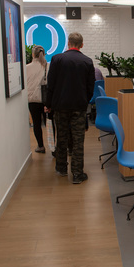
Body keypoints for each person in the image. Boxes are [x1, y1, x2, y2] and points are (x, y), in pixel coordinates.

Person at [45, 32, 95, 184]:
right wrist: (85, 101)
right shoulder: (87, 61)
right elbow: (90, 87)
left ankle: (61, 168)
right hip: (79, 107)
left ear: (68, 43)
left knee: (62, 137)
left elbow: (50, 84)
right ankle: (77, 174)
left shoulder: (57, 59)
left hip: (60, 106)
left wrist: (48, 104)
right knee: (78, 140)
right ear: (82, 45)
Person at [26, 45, 48, 153]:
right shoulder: (47, 66)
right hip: (46, 101)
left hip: (32, 100)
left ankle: (40, 146)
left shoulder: (26, 67)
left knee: (36, 124)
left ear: (33, 54)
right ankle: (53, 147)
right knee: (50, 124)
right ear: (44, 54)